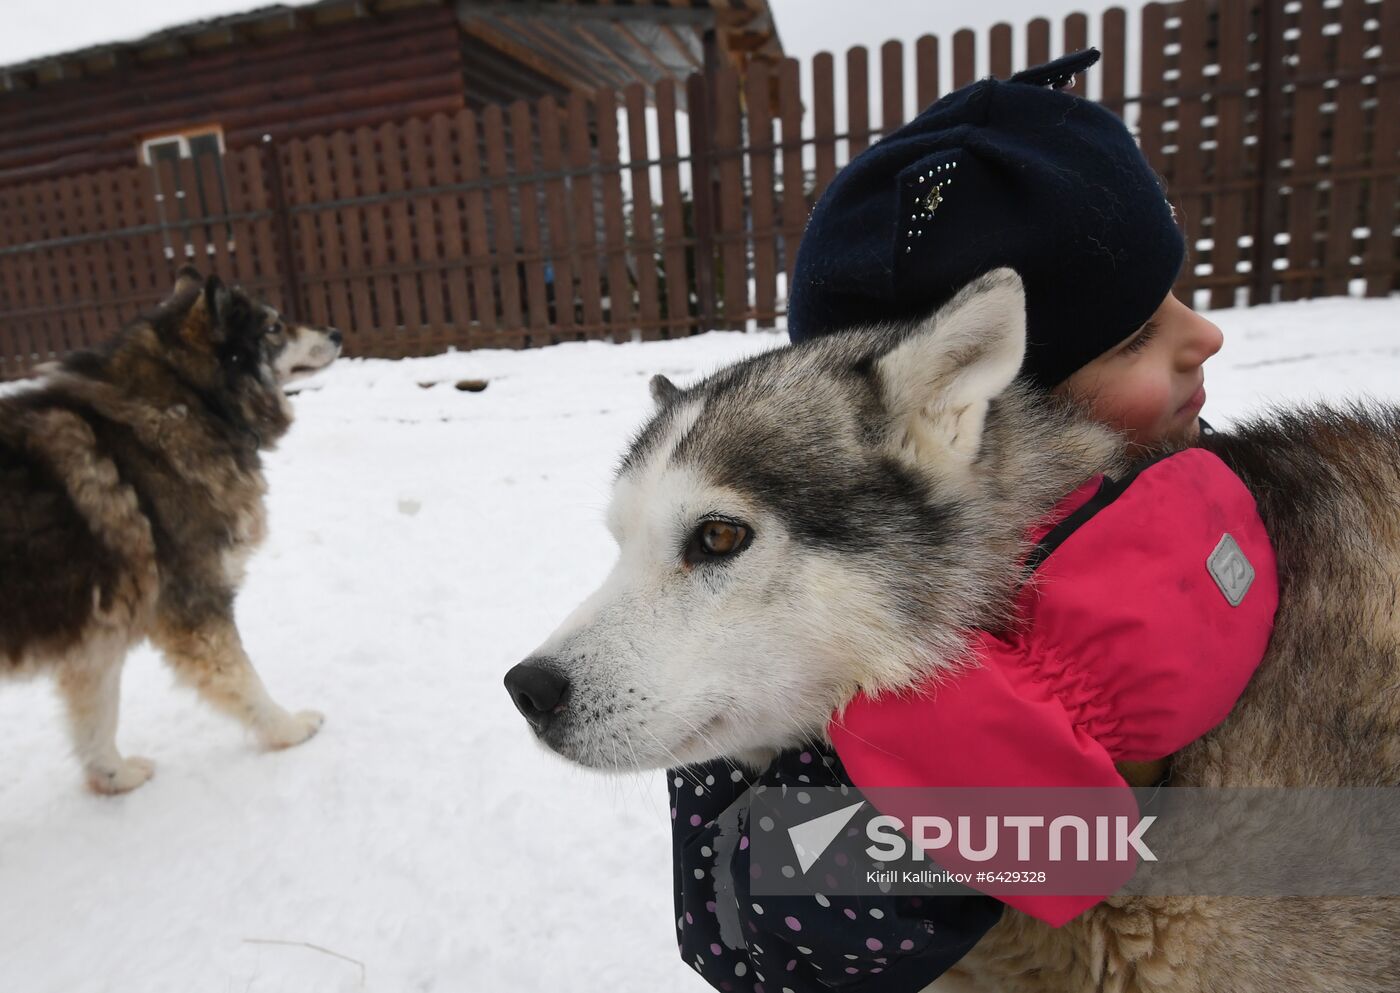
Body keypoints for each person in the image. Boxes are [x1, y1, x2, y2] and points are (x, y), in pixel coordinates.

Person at [671, 48, 1279, 992]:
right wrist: (960, 797)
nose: (1206, 334)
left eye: (1176, 293)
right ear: (961, 403)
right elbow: (746, 929)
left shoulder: (1217, 502)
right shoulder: (817, 624)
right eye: (1135, 335)